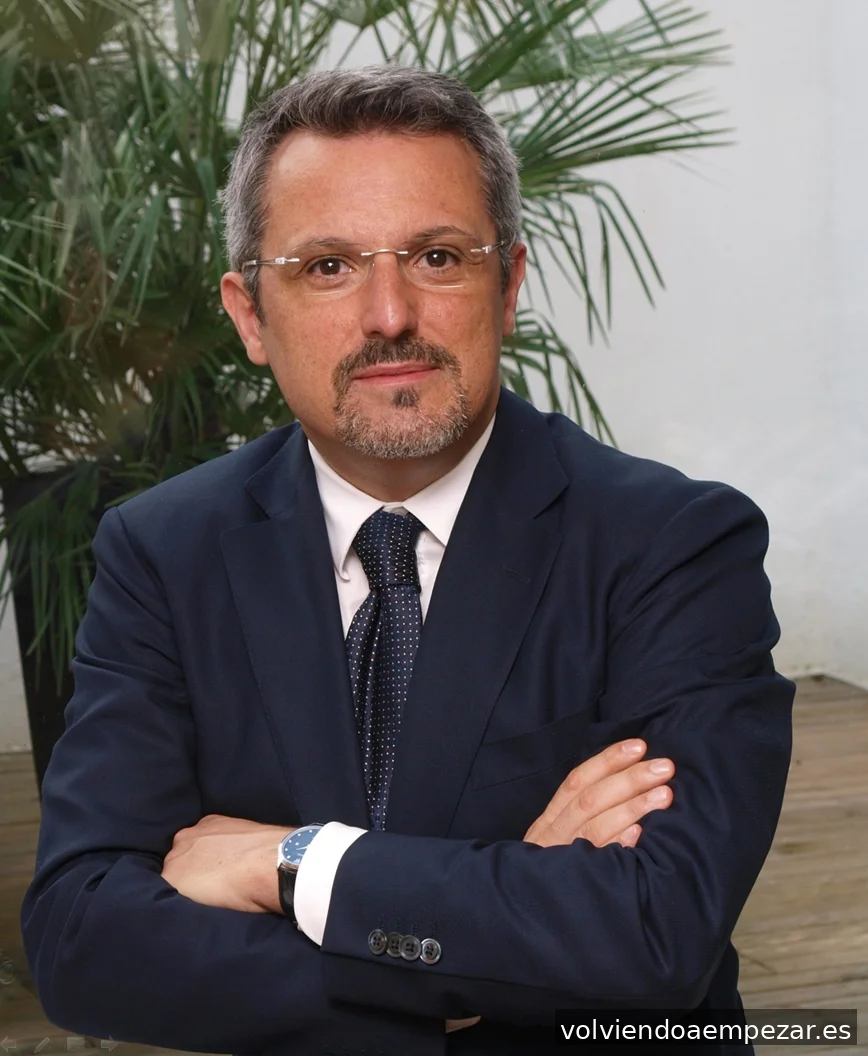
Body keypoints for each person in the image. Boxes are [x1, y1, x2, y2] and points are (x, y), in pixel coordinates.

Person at [21, 65, 793, 1056]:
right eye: (327, 266)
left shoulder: (674, 545)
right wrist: (471, 957)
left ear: (506, 286)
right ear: (250, 315)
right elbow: (82, 940)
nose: (388, 313)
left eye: (435, 256)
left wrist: (292, 863)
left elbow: (656, 930)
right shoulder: (164, 551)